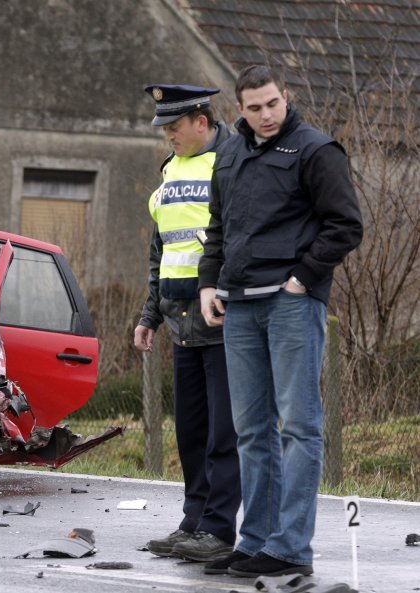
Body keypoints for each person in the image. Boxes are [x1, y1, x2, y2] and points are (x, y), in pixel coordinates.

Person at [198, 65, 363, 578]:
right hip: (240, 304)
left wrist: (302, 278)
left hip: (292, 303)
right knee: (251, 430)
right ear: (239, 111)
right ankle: (255, 542)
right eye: (254, 108)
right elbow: (219, 227)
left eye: (273, 104)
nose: (266, 115)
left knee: (299, 428)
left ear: (285, 97)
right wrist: (208, 282)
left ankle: (291, 547)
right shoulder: (230, 154)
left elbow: (346, 225)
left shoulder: (316, 151)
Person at [135, 84, 241, 563]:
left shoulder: (231, 160)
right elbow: (162, 251)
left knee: (224, 431)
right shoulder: (169, 170)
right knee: (192, 431)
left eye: (174, 127)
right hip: (179, 321)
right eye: (164, 129)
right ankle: (193, 521)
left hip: (220, 317)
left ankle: (218, 529)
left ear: (202, 120)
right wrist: (149, 315)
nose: (168, 136)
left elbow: (233, 238)